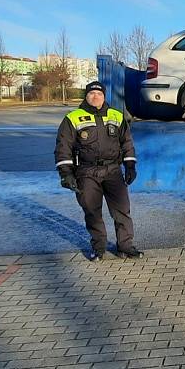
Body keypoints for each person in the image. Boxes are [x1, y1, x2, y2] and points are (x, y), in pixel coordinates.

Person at [55, 81, 143, 261]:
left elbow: (126, 143)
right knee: (92, 211)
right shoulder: (73, 118)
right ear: (86, 96)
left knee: (122, 210)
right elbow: (63, 147)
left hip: (112, 171)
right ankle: (99, 248)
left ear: (104, 96)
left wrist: (130, 165)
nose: (96, 97)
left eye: (99, 94)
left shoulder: (116, 116)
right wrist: (66, 173)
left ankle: (125, 246)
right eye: (92, 94)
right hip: (86, 173)